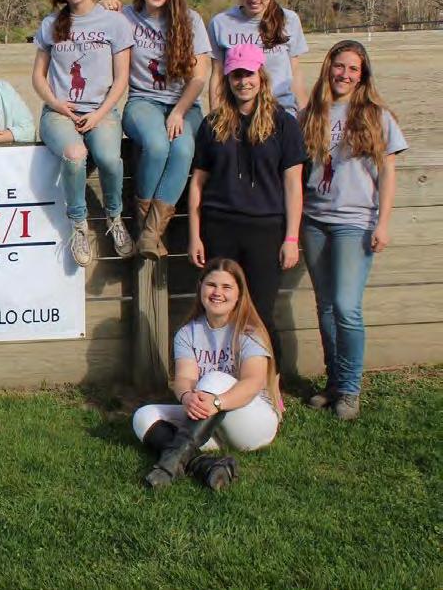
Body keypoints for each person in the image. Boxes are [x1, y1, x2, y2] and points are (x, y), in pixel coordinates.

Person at [299, 41, 407, 420]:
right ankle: (334, 382)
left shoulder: (377, 116)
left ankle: (349, 389)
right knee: (326, 306)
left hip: (354, 222)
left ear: (362, 76)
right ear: (328, 67)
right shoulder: (310, 113)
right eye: (339, 66)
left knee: (346, 306)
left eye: (353, 69)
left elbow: (388, 172)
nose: (344, 74)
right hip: (314, 219)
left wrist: (383, 222)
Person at [188, 43, 306, 359]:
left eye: (249, 74)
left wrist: (291, 238)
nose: (243, 82)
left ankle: (270, 380)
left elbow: (293, 184)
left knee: (260, 312)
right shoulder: (212, 124)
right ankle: (221, 376)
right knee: (219, 310)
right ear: (227, 79)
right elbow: (197, 183)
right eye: (236, 75)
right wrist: (195, 235)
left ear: (261, 76)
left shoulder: (284, 123)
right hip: (220, 227)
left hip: (266, 229)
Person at [133, 258, 281, 490]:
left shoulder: (249, 332)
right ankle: (206, 466)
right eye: (211, 285)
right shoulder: (187, 333)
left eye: (226, 287)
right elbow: (184, 379)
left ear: (239, 295)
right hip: (210, 421)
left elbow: (253, 382)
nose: (217, 293)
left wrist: (217, 402)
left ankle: (169, 465)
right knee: (144, 416)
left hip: (253, 423)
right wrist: (186, 397)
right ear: (200, 288)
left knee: (213, 379)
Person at [31, 0, 134, 267]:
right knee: (75, 155)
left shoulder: (114, 22)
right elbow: (38, 77)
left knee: (109, 159)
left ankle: (114, 217)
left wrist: (100, 114)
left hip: (101, 111)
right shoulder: (51, 24)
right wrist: (57, 104)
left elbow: (121, 78)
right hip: (59, 113)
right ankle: (78, 225)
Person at [120, 0, 212, 258]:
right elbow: (93, 17)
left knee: (183, 150)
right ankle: (145, 225)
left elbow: (199, 77)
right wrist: (107, 2)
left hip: (184, 104)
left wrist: (178, 112)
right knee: (157, 145)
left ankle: (149, 233)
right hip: (142, 101)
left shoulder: (191, 20)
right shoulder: (125, 17)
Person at [208, 0, 308, 114]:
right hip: (238, 113)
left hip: (280, 111)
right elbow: (217, 75)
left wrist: (303, 114)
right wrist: (215, 116)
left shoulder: (289, 20)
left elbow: (295, 72)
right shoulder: (221, 23)